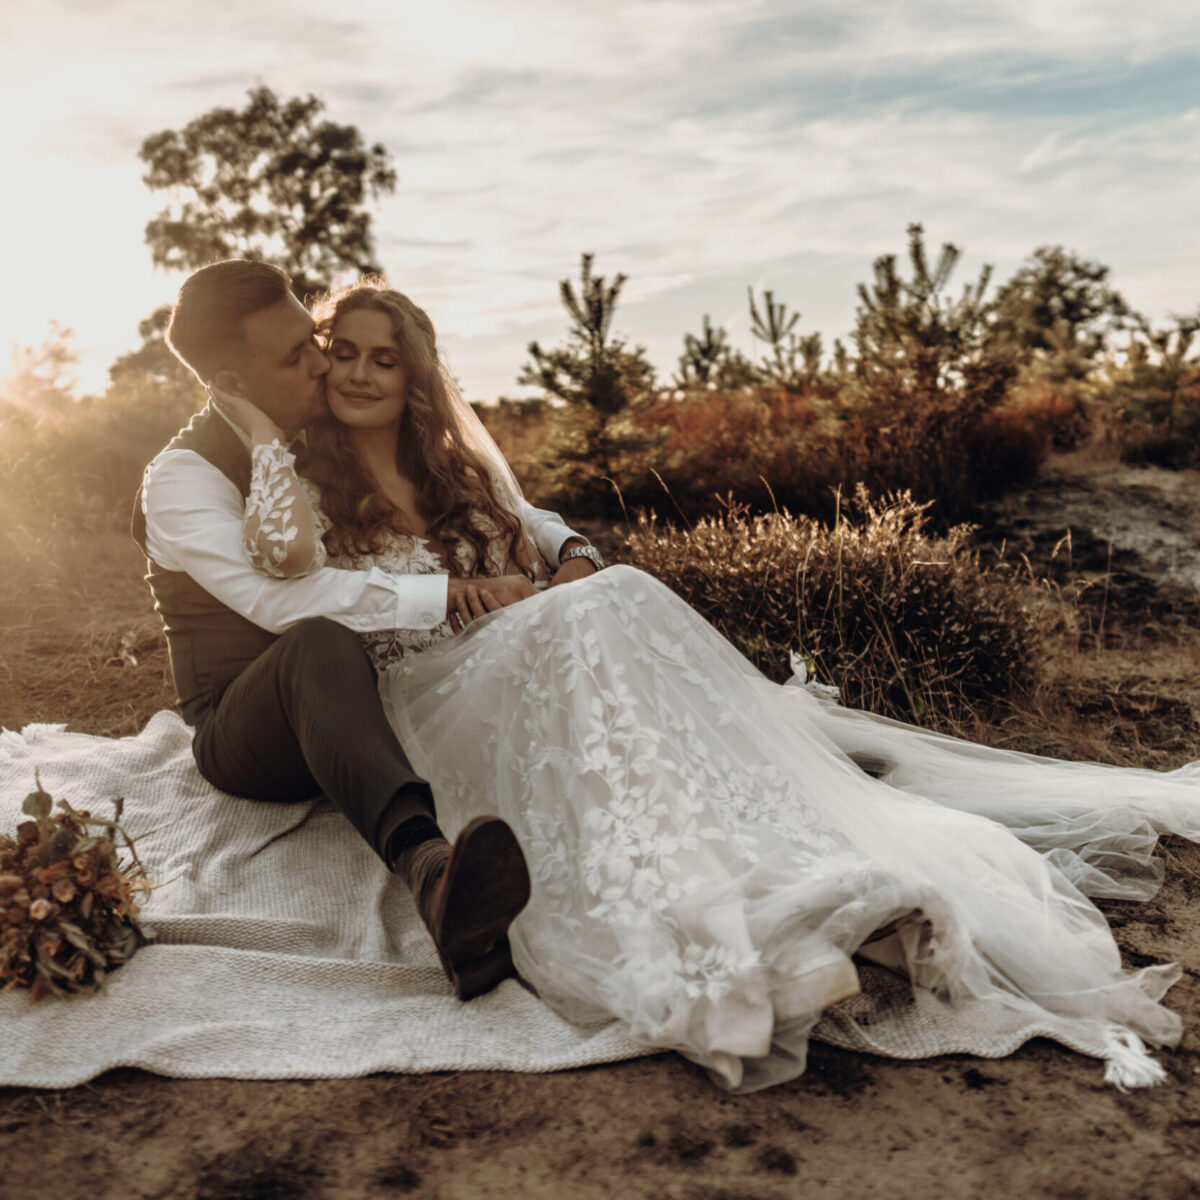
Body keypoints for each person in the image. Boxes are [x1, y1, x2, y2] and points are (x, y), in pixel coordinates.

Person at [225, 277, 1200, 1095]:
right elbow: (297, 587)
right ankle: (721, 928)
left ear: (415, 373)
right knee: (606, 621)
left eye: (381, 358)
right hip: (426, 690)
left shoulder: (455, 469)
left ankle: (794, 893)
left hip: (526, 652)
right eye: (339, 351)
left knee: (614, 598)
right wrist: (258, 431)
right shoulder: (300, 475)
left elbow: (542, 525)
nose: (356, 372)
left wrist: (568, 560)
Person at [132, 259, 597, 1000]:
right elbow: (285, 602)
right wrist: (453, 594)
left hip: (366, 696)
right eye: (297, 356)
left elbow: (481, 494)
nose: (323, 364)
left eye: (311, 339)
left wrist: (570, 548)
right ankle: (435, 877)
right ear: (231, 379)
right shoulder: (184, 478)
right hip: (250, 729)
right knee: (315, 638)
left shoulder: (322, 425)